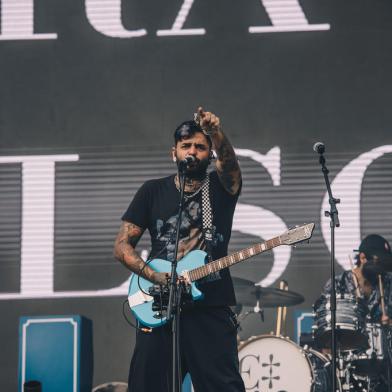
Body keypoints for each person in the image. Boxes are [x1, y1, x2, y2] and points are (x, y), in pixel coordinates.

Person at [113, 107, 245, 392]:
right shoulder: (151, 191)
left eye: (200, 146)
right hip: (160, 305)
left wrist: (216, 133)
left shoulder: (220, 187)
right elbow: (122, 245)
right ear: (173, 152)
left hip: (210, 306)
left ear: (209, 154)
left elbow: (229, 164)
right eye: (186, 146)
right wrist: (153, 276)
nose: (192, 152)